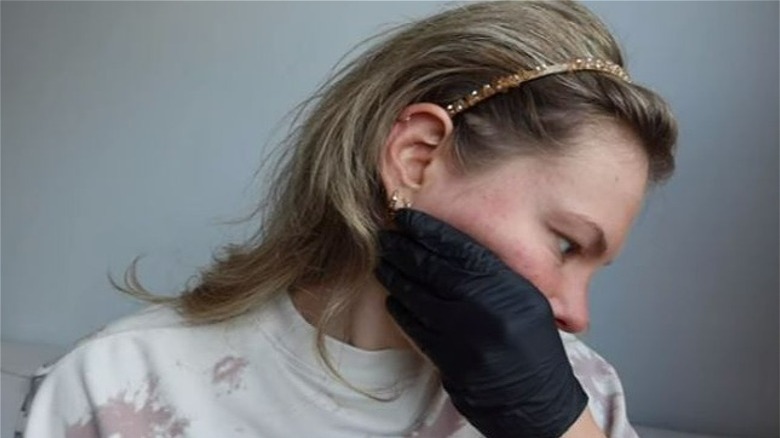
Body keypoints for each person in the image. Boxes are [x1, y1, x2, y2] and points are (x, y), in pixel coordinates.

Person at [21, 1, 677, 437]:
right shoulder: (120, 385)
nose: (577, 313)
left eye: (597, 268)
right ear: (417, 155)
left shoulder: (580, 395)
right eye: (566, 243)